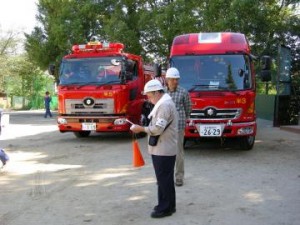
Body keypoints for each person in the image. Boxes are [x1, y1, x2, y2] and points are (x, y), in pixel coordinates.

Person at [130, 79, 178, 218]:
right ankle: (169, 205)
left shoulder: (164, 106)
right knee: (164, 179)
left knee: (163, 179)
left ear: (157, 92)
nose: (149, 99)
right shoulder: (163, 104)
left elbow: (157, 129)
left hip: (163, 149)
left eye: (150, 95)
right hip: (164, 147)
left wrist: (141, 129)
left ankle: (165, 208)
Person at [165, 67, 192, 187]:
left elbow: (188, 108)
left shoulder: (183, 92)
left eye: (177, 79)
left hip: (179, 126)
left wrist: (183, 118)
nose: (176, 81)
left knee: (178, 152)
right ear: (168, 80)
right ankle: (165, 177)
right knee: (165, 153)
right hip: (165, 128)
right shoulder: (163, 93)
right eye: (173, 79)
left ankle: (179, 177)